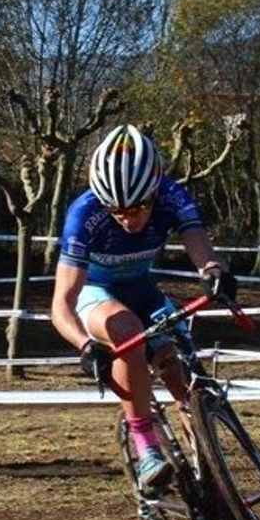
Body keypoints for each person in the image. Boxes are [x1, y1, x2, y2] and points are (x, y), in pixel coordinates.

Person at [51, 124, 236, 494]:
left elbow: (199, 245)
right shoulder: (83, 215)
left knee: (180, 368)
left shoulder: (171, 196)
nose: (127, 218)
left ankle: (209, 466)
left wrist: (214, 272)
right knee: (127, 330)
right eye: (116, 210)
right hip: (96, 293)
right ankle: (146, 448)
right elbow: (61, 304)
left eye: (137, 208)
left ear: (154, 192)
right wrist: (85, 346)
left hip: (143, 291)